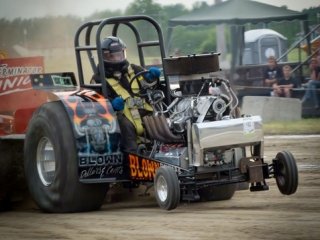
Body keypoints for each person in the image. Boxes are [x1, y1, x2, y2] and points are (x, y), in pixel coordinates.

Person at [91, 36, 160, 152]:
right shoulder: (98, 79)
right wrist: (110, 105)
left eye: (119, 54)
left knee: (162, 119)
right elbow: (95, 103)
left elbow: (149, 84)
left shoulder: (134, 69)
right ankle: (132, 157)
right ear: (104, 57)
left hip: (144, 109)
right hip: (121, 114)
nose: (117, 58)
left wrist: (151, 77)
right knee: (126, 126)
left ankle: (165, 151)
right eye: (112, 56)